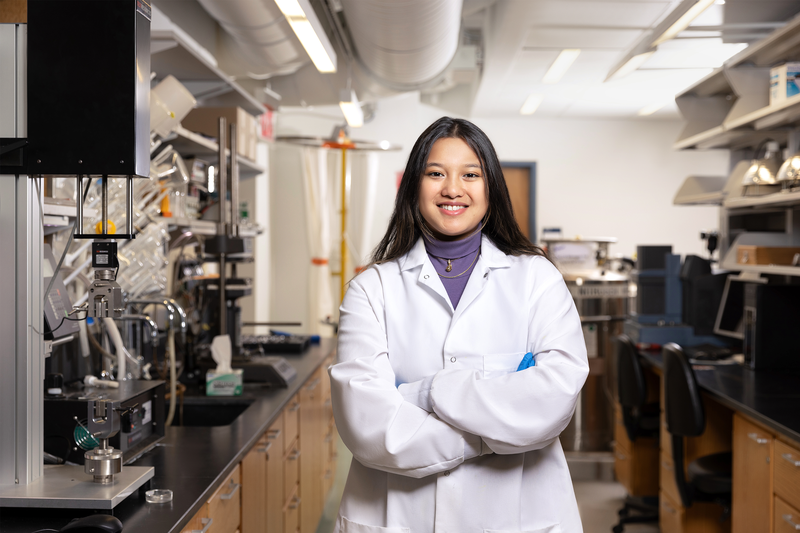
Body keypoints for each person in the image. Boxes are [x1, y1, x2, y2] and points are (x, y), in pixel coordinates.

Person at [329, 117, 589, 533]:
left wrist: (428, 393)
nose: (453, 189)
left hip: (519, 516)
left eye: (471, 174)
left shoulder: (537, 279)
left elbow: (554, 398)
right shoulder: (371, 289)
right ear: (415, 185)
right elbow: (369, 425)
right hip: (398, 516)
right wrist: (498, 431)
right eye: (436, 174)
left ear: (491, 188)